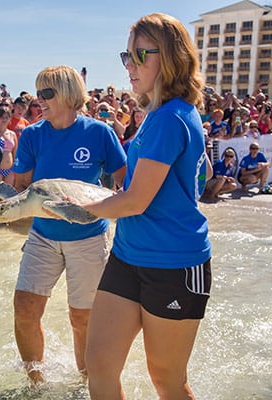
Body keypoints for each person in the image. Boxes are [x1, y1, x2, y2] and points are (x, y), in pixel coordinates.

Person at [80, 13, 213, 399]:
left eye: (142, 56)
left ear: (171, 58)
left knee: (167, 381)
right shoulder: (159, 114)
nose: (130, 67)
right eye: (127, 56)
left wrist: (78, 206)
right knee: (100, 365)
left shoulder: (171, 117)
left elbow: (136, 201)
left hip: (174, 265)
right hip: (127, 256)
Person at [12, 65, 126, 384]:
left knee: (82, 319)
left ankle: (84, 386)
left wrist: (108, 209)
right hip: (42, 236)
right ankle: (36, 385)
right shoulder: (32, 134)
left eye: (46, 93)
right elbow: (20, 184)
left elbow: (124, 181)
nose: (39, 101)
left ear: (68, 94)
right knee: (24, 309)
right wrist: (3, 184)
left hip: (89, 237)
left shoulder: (99, 133)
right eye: (38, 94)